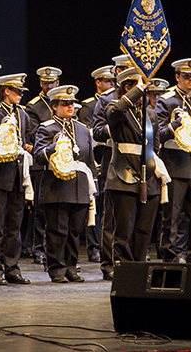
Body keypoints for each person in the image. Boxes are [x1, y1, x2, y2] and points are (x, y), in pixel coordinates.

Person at [34, 85, 96, 282]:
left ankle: (71, 267)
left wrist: (92, 187)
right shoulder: (47, 128)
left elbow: (89, 160)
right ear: (54, 106)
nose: (70, 107)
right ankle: (56, 268)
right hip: (56, 186)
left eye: (71, 103)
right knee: (57, 231)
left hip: (78, 186)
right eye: (65, 104)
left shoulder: (82, 129)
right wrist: (54, 146)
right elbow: (38, 156)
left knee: (75, 231)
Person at [104, 67, 161, 264]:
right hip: (124, 175)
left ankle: (139, 269)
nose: (145, 93)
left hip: (149, 176)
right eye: (139, 89)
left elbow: (156, 144)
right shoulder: (113, 108)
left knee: (144, 230)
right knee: (124, 231)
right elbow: (118, 110)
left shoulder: (150, 114)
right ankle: (126, 273)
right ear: (127, 88)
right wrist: (138, 89)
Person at [156, 59, 191, 264]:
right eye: (186, 76)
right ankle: (171, 256)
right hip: (174, 164)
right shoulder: (166, 100)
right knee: (172, 216)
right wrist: (173, 126)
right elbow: (159, 134)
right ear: (177, 77)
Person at [0, 74, 33, 285]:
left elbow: (27, 139)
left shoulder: (23, 114)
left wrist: (28, 147)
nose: (20, 95)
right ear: (6, 91)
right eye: (17, 91)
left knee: (14, 226)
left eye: (21, 92)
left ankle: (12, 268)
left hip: (18, 174)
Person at [93, 54, 132, 280]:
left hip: (138, 158)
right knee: (111, 214)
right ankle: (109, 262)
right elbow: (97, 130)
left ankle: (131, 259)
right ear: (118, 73)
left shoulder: (143, 98)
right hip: (114, 155)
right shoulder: (106, 99)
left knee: (134, 212)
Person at [23, 66, 62, 266]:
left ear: (58, 83)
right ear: (40, 83)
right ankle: (38, 249)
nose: (49, 86)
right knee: (40, 209)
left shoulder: (66, 104)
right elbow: (31, 137)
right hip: (41, 162)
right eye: (46, 83)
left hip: (63, 162)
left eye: (53, 82)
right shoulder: (33, 106)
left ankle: (56, 250)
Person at [77, 65, 115, 263]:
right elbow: (87, 134)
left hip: (110, 157)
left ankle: (108, 246)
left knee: (108, 207)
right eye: (108, 81)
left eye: (113, 81)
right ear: (98, 83)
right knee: (95, 206)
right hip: (96, 158)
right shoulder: (89, 105)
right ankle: (94, 247)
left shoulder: (115, 101)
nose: (111, 85)